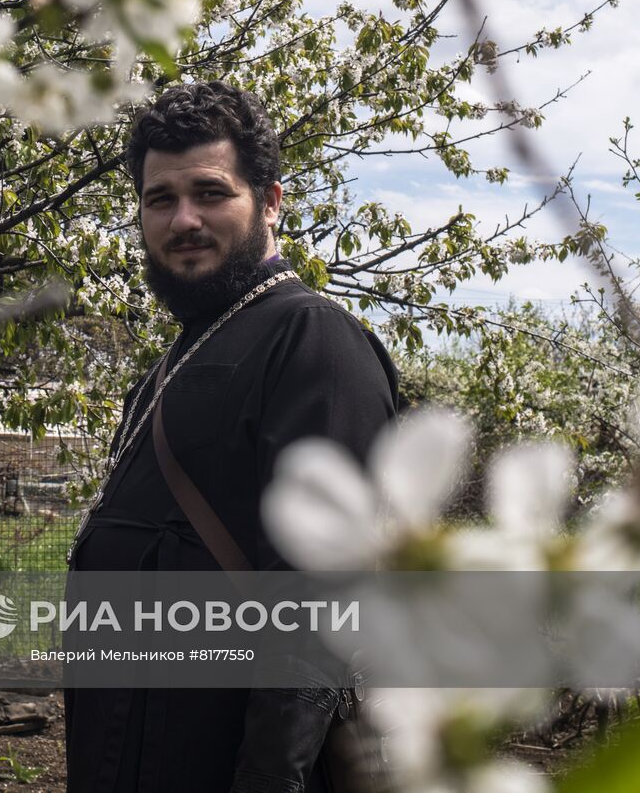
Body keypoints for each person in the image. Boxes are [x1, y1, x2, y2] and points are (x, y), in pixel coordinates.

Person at [63, 82, 399, 792]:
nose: (183, 218)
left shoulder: (313, 341)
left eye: (210, 192)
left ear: (270, 201)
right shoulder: (168, 365)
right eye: (160, 199)